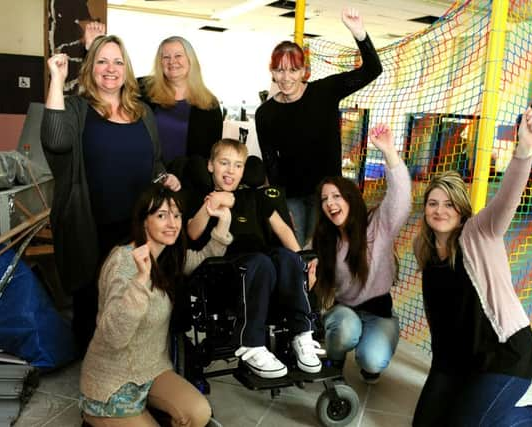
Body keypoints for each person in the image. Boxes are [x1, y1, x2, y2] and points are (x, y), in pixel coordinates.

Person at [411, 107, 532, 427]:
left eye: (449, 203)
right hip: (460, 362)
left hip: (506, 356)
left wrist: (524, 151)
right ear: (424, 209)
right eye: (433, 203)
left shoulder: (479, 232)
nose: (440, 210)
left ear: (461, 207)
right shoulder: (424, 250)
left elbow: (508, 198)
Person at [41, 35, 181, 355]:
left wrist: (165, 177)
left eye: (118, 62)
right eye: (102, 61)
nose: (110, 69)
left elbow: (154, 160)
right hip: (90, 225)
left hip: (136, 227)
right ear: (90, 69)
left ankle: (133, 363)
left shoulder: (142, 112)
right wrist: (57, 79)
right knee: (93, 304)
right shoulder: (78, 109)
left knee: (135, 296)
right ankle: (95, 380)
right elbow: (55, 140)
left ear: (126, 69)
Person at [80, 183, 232, 427]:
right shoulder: (123, 263)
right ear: (143, 221)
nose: (172, 223)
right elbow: (113, 337)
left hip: (153, 370)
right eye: (161, 215)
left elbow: (202, 259)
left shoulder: (167, 257)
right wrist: (140, 283)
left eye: (176, 215)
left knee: (198, 412)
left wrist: (223, 224)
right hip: (112, 379)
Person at [185, 139, 324, 379]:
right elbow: (192, 233)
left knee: (286, 257)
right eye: (224, 163)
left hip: (264, 267)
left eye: (238, 165)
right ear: (210, 166)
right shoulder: (200, 197)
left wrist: (304, 262)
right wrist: (212, 205)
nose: (230, 171)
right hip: (225, 272)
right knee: (260, 262)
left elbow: (282, 230)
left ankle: (301, 335)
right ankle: (251, 342)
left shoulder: (256, 198)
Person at [255, 7, 383, 246]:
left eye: (293, 70)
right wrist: (282, 206)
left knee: (324, 253)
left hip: (327, 194)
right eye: (279, 70)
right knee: (297, 253)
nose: (286, 77)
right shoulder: (266, 113)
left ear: (303, 71)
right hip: (293, 197)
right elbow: (271, 164)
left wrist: (359, 33)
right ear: (272, 72)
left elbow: (373, 69)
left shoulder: (325, 92)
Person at [308, 124, 411, 384]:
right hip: (344, 312)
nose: (330, 203)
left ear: (351, 198)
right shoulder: (322, 240)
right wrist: (310, 280)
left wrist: (389, 151)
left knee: (372, 359)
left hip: (379, 312)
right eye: (324, 199)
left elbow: (400, 197)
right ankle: (335, 359)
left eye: (336, 196)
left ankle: (370, 356)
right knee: (345, 329)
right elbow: (308, 275)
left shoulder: (378, 225)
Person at [140, 36, 223, 165]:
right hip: (147, 177)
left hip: (187, 180)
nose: (172, 61)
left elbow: (213, 154)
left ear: (190, 60)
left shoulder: (210, 104)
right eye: (166, 57)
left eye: (178, 55)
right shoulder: (143, 89)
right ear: (160, 62)